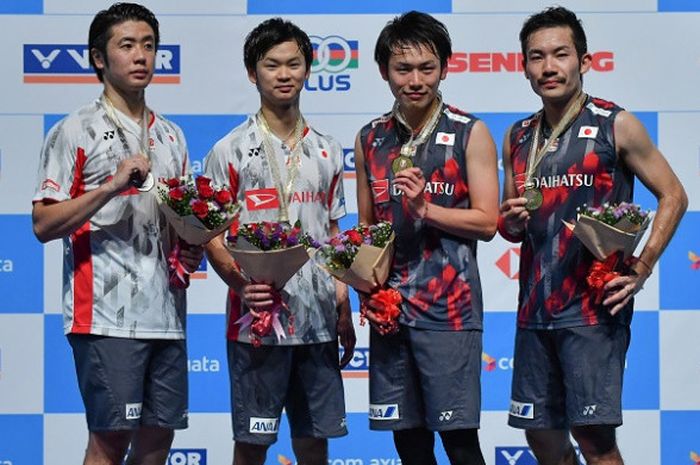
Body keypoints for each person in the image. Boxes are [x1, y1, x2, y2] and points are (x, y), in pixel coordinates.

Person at [498, 6, 688, 465]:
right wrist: (513, 220)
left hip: (592, 311)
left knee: (595, 440)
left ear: (584, 61)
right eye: (536, 57)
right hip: (534, 310)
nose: (548, 67)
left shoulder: (614, 124)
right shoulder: (518, 136)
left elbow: (674, 196)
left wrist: (640, 269)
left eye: (560, 54)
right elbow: (509, 228)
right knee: (541, 437)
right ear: (524, 67)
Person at [32, 3, 203, 465]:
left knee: (157, 444)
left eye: (148, 45)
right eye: (126, 45)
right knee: (109, 442)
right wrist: (111, 185)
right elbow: (43, 225)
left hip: (168, 316)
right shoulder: (74, 131)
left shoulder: (172, 136)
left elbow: (184, 221)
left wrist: (191, 247)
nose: (141, 56)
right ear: (98, 58)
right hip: (106, 317)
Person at [202, 18, 356, 465]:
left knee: (313, 444)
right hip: (256, 325)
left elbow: (332, 232)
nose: (284, 74)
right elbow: (210, 230)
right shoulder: (228, 150)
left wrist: (342, 302)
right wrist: (237, 282)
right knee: (252, 446)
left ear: (308, 70)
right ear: (253, 73)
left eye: (294, 63)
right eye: (272, 65)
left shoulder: (328, 149)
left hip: (317, 323)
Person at [355, 11, 499, 465]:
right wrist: (364, 288)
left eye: (427, 68)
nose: (415, 80)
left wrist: (426, 210)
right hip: (391, 313)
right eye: (403, 69)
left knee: (459, 443)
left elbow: (488, 222)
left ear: (445, 67)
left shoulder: (469, 132)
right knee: (409, 444)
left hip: (450, 310)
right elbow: (367, 230)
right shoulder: (370, 138)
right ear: (384, 72)